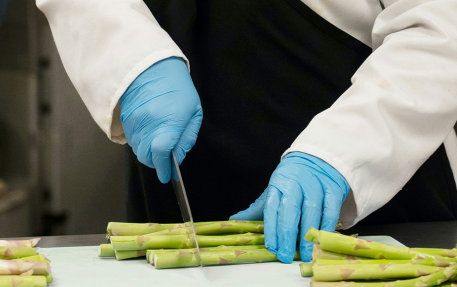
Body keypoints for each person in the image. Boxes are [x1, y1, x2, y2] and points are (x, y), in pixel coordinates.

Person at [37, 0, 457, 263]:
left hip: (376, 178)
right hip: (175, 173)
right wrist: (127, 59)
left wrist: (343, 154)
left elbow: (441, 27)